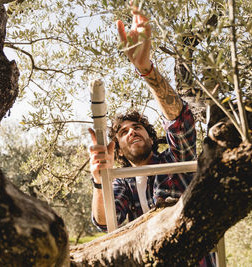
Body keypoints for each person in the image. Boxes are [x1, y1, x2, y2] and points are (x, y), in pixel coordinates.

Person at [88, 5, 216, 267]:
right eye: (123, 132)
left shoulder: (175, 163)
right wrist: (100, 181)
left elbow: (180, 122)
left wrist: (146, 69)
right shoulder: (123, 184)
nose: (132, 131)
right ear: (119, 150)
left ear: (150, 136)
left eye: (137, 127)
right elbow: (104, 222)